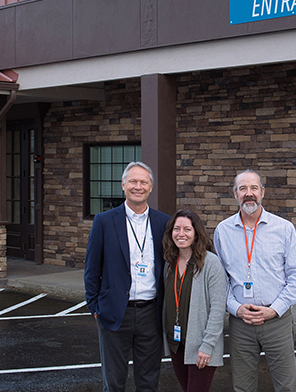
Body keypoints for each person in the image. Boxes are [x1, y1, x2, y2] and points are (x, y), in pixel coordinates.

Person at [213, 170, 296, 392]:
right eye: (243, 189)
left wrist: (275, 310)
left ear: (262, 192)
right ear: (235, 194)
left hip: (276, 321)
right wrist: (236, 309)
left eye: (254, 188)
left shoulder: (283, 229)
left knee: (288, 385)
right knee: (242, 386)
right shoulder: (222, 231)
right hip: (240, 323)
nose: (249, 194)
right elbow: (219, 281)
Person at [84, 161, 171, 392]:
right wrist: (94, 307)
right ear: (123, 185)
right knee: (113, 382)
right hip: (114, 312)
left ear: (150, 187)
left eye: (143, 182)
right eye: (133, 181)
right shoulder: (104, 221)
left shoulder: (163, 222)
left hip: (151, 313)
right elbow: (92, 269)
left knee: (148, 382)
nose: (138, 186)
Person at [162, 209, 227, 392]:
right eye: (176, 229)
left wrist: (207, 346)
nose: (181, 234)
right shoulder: (169, 262)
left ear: (196, 233)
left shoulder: (210, 263)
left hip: (201, 345)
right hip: (177, 344)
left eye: (187, 229)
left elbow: (218, 308)